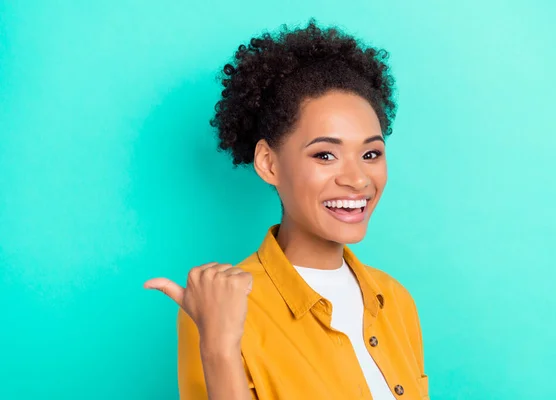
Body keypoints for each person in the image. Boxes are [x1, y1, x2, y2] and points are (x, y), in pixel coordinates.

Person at [145, 19, 429, 400]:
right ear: (268, 163)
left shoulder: (396, 301)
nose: (358, 179)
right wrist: (218, 349)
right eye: (325, 154)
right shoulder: (220, 307)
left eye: (371, 153)